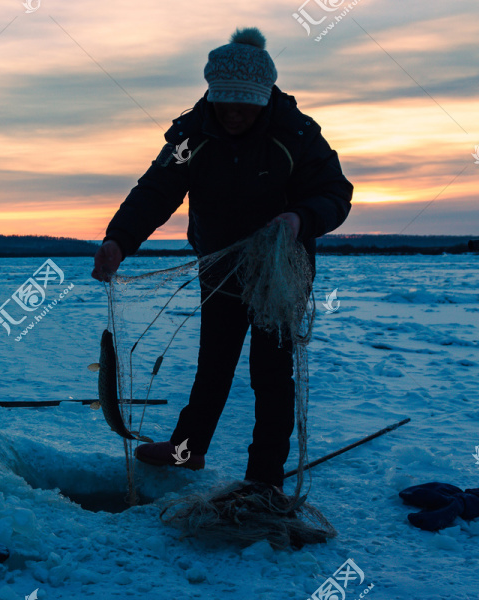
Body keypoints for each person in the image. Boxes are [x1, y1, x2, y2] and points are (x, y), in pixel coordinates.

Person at [91, 27, 352, 489]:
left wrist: (298, 220)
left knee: (270, 372)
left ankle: (263, 477)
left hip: (279, 275)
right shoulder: (194, 135)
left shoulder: (295, 134)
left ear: (264, 96)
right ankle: (187, 451)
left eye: (243, 103)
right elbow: (156, 190)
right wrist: (119, 240)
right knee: (214, 363)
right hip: (219, 267)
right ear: (212, 93)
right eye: (224, 101)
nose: (232, 113)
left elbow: (335, 193)